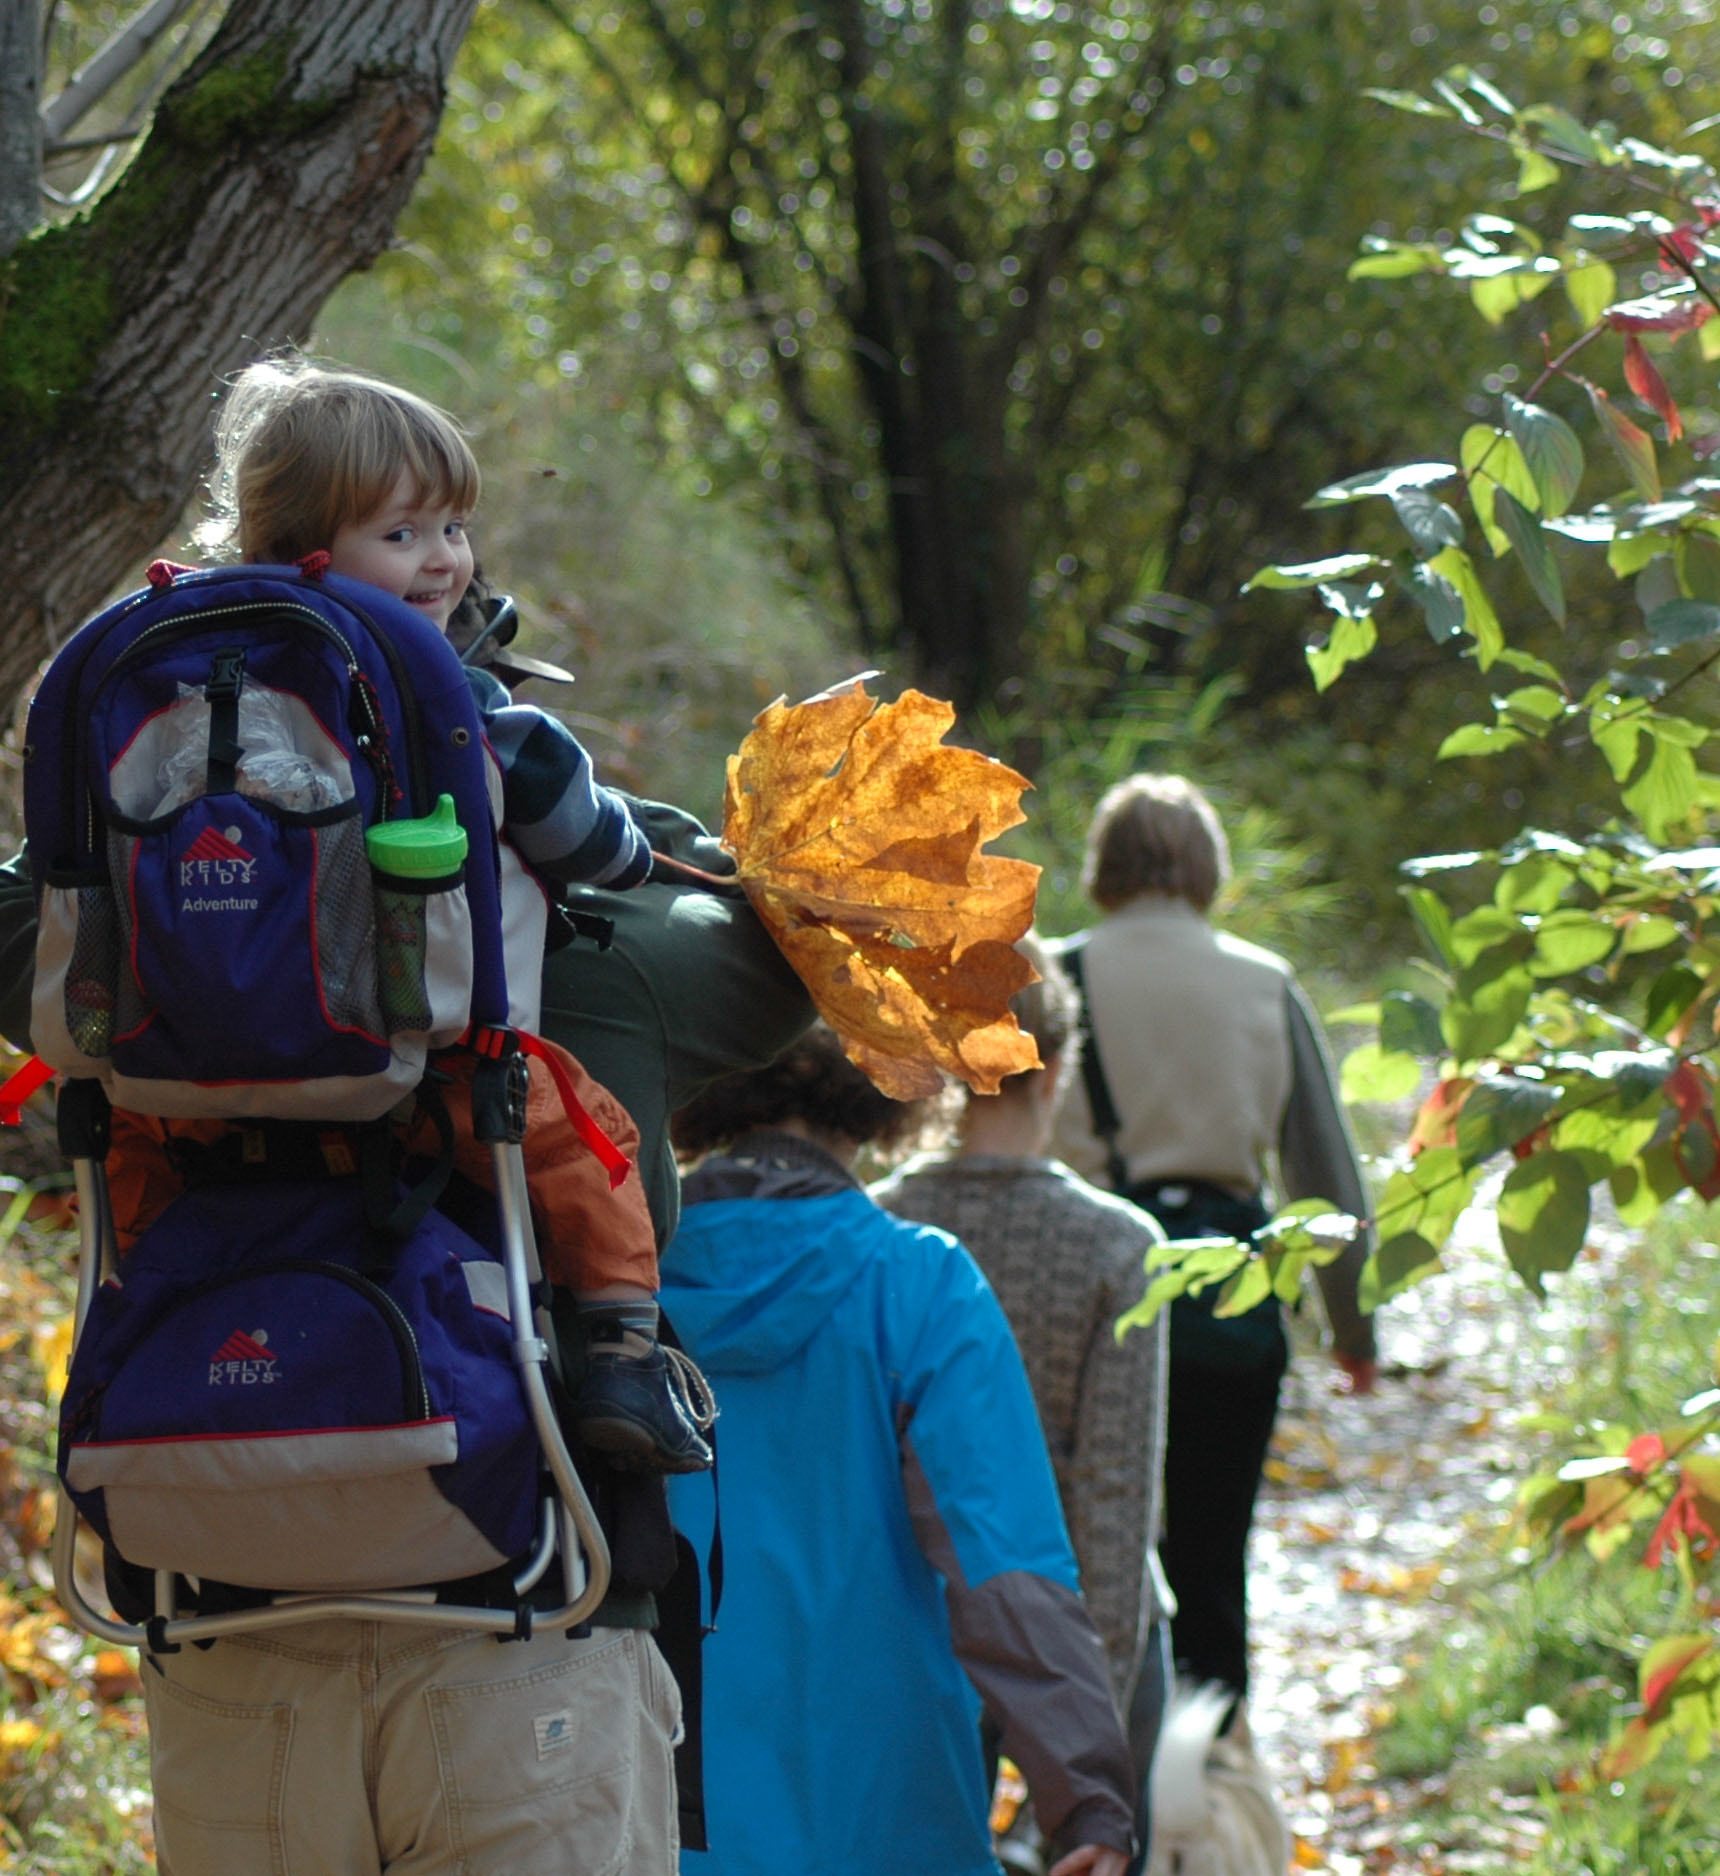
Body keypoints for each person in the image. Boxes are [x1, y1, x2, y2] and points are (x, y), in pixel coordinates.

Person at [0, 791, 817, 1876]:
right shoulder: (590, 952)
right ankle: (619, 1367)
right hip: (525, 1615)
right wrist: (633, 835)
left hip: (225, 1616)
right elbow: (790, 953)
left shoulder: (134, 959)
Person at [188, 353, 705, 1474]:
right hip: (432, 1055)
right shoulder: (436, 684)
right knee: (592, 1151)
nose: (444, 562)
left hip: (198, 1061)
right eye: (406, 533)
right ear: (309, 549)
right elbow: (574, 825)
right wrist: (634, 850)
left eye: (454, 528)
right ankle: (619, 1356)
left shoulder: (189, 668)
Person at [663, 1026, 1136, 1876]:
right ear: (891, 1082)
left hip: (660, 1808)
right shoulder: (920, 1284)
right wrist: (1086, 1793)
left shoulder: (617, 1282)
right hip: (885, 1808)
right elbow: (1004, 1563)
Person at [1048, 773, 1377, 1707]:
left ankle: (1079, 1788)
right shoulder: (1264, 984)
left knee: (1076, 1560)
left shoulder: (1050, 975)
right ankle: (1212, 1790)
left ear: (1104, 867)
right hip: (1228, 1304)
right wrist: (1353, 1329)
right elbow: (1325, 1176)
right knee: (1211, 1561)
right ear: (1209, 868)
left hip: (1084, 1307)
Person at [873, 934, 1172, 1870]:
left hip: (917, 1633)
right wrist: (1095, 1762)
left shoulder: (876, 1226)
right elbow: (1117, 1507)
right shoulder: (1118, 1247)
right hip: (1079, 1632)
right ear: (1057, 1074)